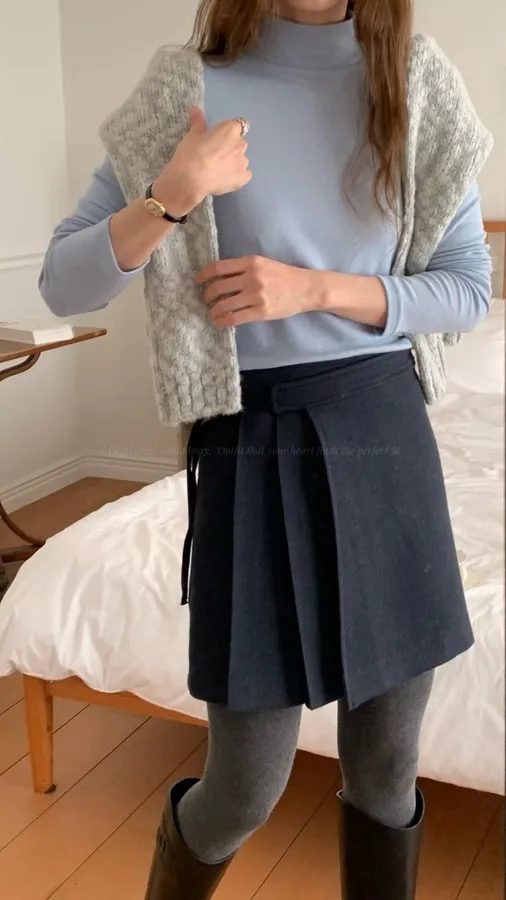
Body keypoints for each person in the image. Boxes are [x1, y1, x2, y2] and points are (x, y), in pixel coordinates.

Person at [40, 1, 493, 897]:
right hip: (245, 440)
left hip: (382, 431)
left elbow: (467, 289)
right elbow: (63, 284)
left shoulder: (417, 83)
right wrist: (171, 196)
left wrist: (315, 289)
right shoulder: (184, 87)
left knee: (386, 770)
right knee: (244, 784)